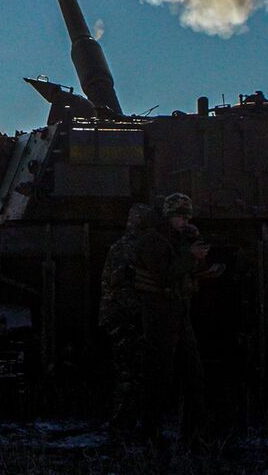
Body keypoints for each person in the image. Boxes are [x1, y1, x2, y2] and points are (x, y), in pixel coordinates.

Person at [133, 192, 209, 450]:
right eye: (180, 216)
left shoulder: (178, 239)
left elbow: (183, 270)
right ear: (169, 216)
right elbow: (165, 274)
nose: (184, 221)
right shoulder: (152, 240)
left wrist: (194, 244)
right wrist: (191, 256)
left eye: (187, 216)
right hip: (159, 310)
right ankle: (150, 431)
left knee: (193, 373)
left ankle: (191, 433)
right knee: (157, 373)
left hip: (178, 308)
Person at [98, 203, 154, 439]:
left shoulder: (118, 247)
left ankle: (124, 422)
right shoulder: (144, 247)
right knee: (134, 372)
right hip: (131, 316)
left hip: (116, 315)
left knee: (126, 371)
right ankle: (126, 424)